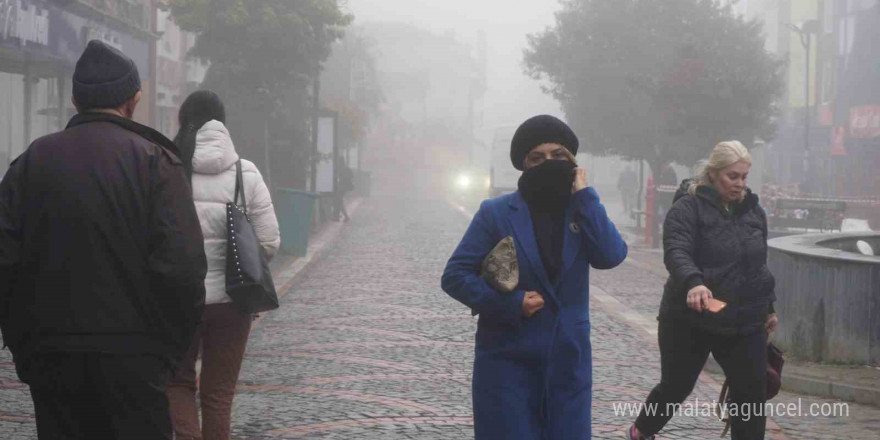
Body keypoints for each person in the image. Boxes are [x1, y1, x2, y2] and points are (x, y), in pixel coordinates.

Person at [0, 40, 207, 439]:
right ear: (133, 100)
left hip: (53, 356)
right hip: (136, 360)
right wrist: (164, 353)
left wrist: (26, 344)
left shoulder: (31, 163)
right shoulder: (156, 163)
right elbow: (183, 270)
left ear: (76, 98)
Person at [442, 115, 628, 439]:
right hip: (506, 363)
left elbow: (611, 255)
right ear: (524, 165)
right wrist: (511, 303)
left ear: (572, 162)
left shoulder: (581, 210)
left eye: (559, 155)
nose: (549, 163)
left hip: (568, 364)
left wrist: (585, 196)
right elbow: (455, 276)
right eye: (537, 157)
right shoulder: (496, 212)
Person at [625, 141, 779, 440]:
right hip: (689, 317)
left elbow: (757, 264)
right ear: (713, 173)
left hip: (743, 319)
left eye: (745, 177)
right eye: (732, 176)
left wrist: (769, 306)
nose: (740, 184)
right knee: (676, 385)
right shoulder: (687, 207)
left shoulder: (753, 210)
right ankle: (641, 431)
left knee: (750, 393)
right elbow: (676, 250)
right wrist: (694, 283)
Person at [166, 90, 281, 440]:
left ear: (185, 122)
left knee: (177, 384)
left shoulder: (167, 167)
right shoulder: (246, 174)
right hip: (233, 303)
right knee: (218, 396)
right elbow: (270, 242)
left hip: (178, 302)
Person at [333, 155, 354, 222]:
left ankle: (345, 216)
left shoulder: (341, 168)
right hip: (343, 188)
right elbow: (352, 176)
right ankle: (337, 217)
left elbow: (338, 177)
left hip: (342, 188)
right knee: (338, 201)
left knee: (339, 202)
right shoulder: (346, 168)